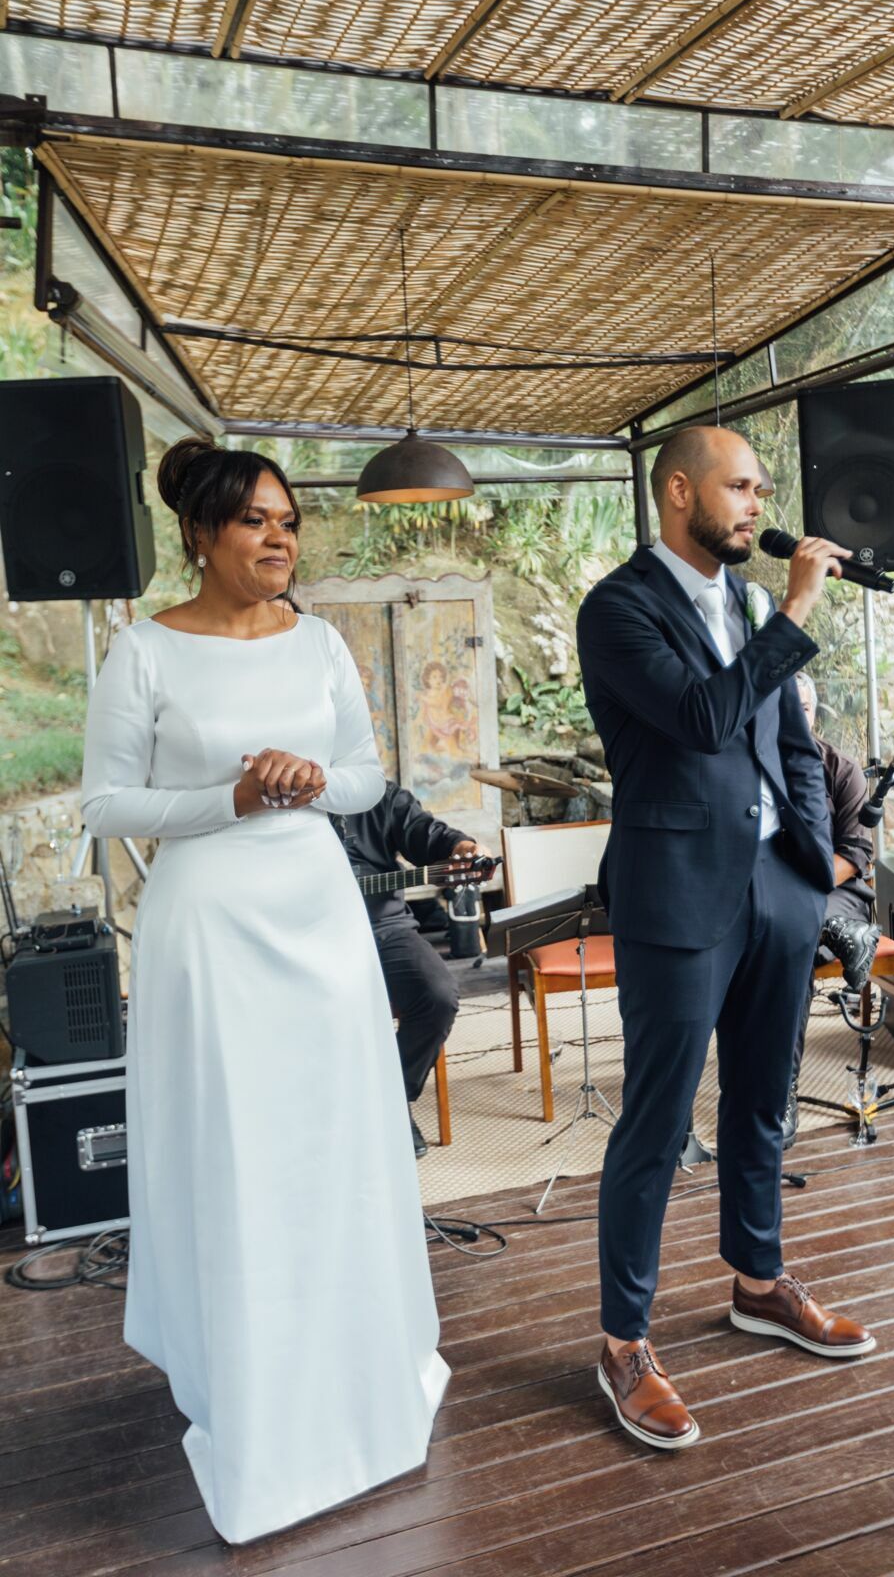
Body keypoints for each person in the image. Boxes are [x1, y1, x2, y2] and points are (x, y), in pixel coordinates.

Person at [81, 439, 448, 1545]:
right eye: (252, 521)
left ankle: (355, 1370)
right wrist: (227, 796)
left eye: (287, 519)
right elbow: (105, 804)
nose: (278, 536)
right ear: (201, 536)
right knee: (237, 1152)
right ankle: (244, 1380)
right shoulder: (142, 653)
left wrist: (305, 779)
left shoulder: (324, 642)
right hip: (209, 929)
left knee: (332, 1142)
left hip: (315, 914)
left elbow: (366, 777)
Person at [576, 425, 876, 1453]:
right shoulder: (617, 608)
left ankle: (756, 1280)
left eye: (758, 488)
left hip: (774, 890)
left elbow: (791, 740)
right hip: (674, 895)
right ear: (676, 492)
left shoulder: (746, 604)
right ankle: (622, 1342)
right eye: (737, 487)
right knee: (656, 1123)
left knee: (764, 1100)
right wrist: (794, 609)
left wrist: (812, 862)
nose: (754, 505)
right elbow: (704, 717)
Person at [340, 782, 478, 1158]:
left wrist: (459, 847)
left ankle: (390, 1101)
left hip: (385, 926)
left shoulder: (375, 792)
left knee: (436, 995)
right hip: (308, 932)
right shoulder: (282, 799)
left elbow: (424, 833)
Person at [782, 672, 882, 1149]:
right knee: (792, 946)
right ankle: (781, 1090)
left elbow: (857, 852)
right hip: (784, 911)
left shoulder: (841, 768)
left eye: (801, 707)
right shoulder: (754, 765)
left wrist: (809, 888)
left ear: (814, 712)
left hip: (838, 891)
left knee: (798, 930)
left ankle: (780, 1096)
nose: (794, 715)